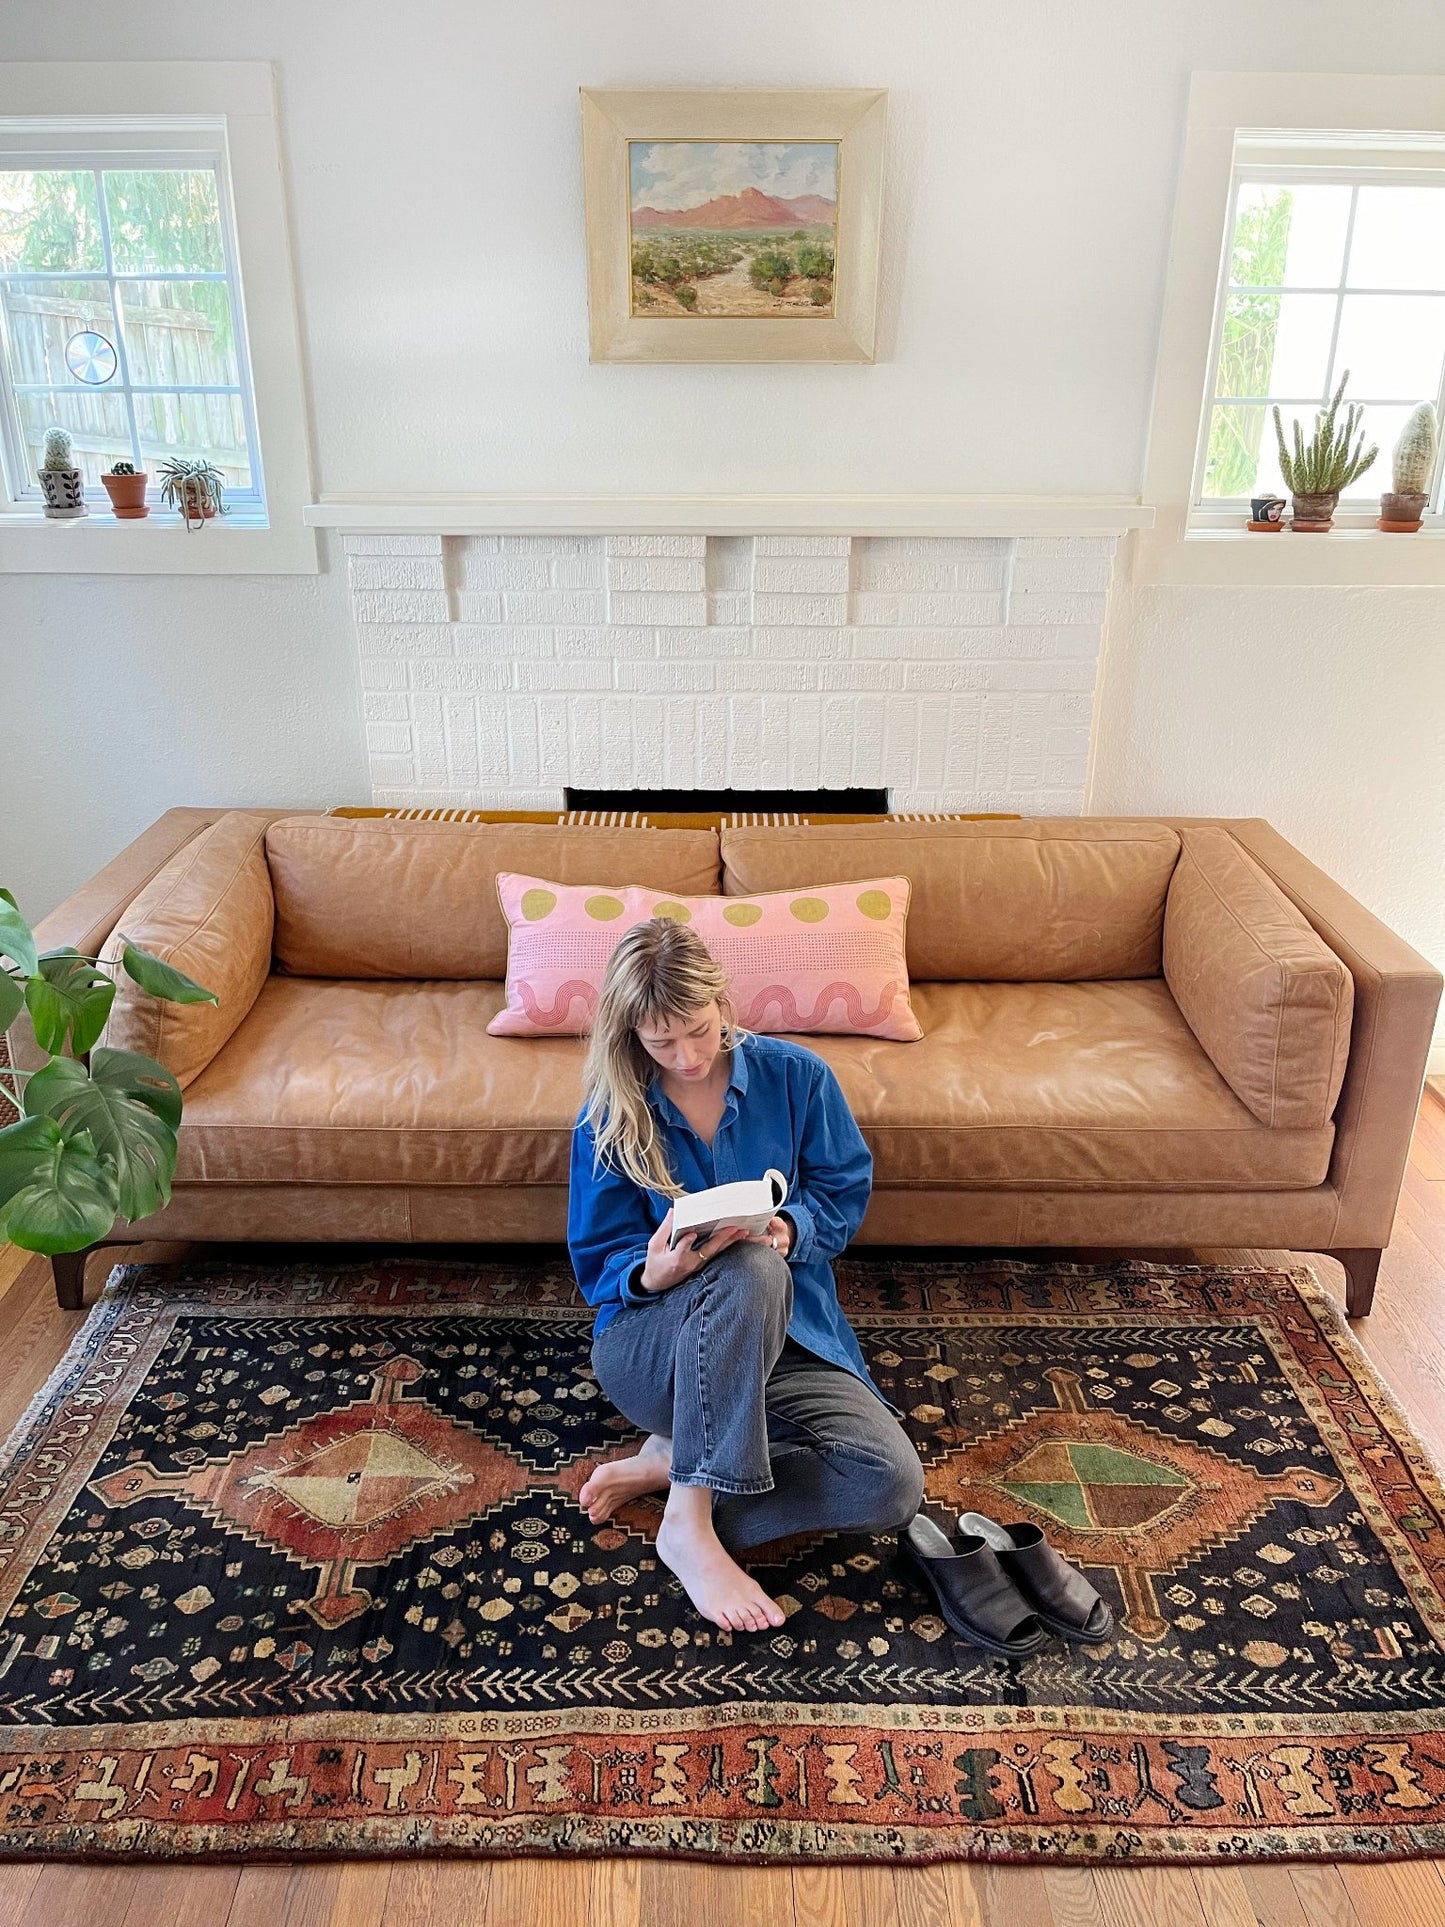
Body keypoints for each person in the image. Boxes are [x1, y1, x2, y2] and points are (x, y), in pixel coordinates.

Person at [567, 917, 925, 1635]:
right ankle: (691, 1520)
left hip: (788, 1339)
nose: (688, 1055)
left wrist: (793, 1226)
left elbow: (842, 1186)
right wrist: (653, 1270)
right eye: (661, 1041)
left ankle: (675, 1468)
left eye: (698, 1029)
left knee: (890, 1485)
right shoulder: (610, 1112)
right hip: (655, 1349)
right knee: (747, 1266)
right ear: (629, 1032)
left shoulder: (797, 1077)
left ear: (722, 1001)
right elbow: (599, 1257)